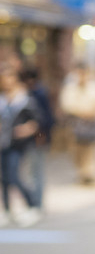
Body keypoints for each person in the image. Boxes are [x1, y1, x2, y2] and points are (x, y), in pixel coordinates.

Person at [0, 67, 42, 226]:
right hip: (3, 142)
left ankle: (33, 205)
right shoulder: (3, 100)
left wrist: (27, 130)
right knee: (3, 179)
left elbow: (37, 122)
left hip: (18, 144)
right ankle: (6, 210)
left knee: (13, 176)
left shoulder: (24, 100)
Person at [60, 65, 95, 184]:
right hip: (76, 124)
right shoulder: (70, 88)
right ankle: (81, 172)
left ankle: (89, 173)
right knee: (76, 150)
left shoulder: (94, 87)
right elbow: (67, 106)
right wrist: (81, 113)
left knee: (90, 149)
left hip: (91, 123)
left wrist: (92, 112)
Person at [20, 64, 55, 213]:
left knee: (36, 171)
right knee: (31, 171)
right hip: (28, 138)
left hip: (37, 137)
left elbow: (45, 118)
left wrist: (41, 136)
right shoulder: (29, 93)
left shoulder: (38, 93)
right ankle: (35, 202)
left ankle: (37, 204)